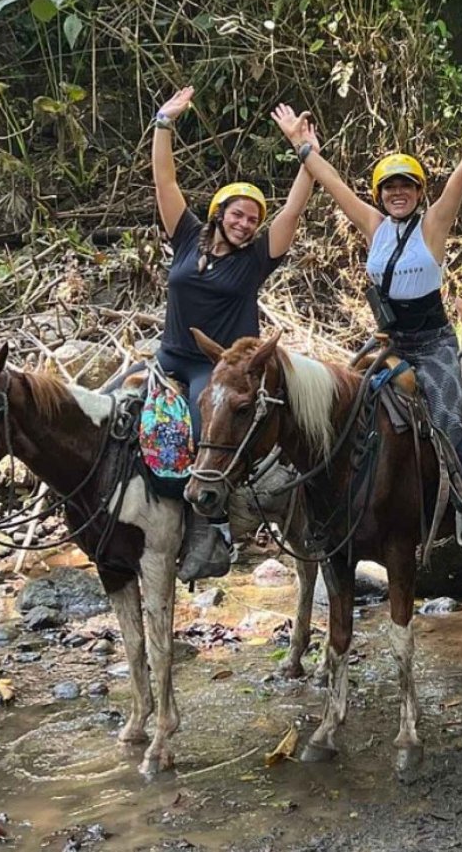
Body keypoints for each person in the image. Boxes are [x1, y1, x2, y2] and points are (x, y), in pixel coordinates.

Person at [271, 86, 462, 547]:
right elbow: (332, 182)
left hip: (434, 343)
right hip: (389, 343)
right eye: (390, 186)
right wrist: (301, 146)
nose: (397, 192)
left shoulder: (433, 225)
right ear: (380, 194)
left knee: (446, 413)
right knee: (343, 402)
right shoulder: (373, 226)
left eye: (406, 185)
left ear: (419, 192)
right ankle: (337, 497)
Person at [146, 85, 316, 579]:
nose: (245, 224)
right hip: (169, 356)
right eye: (238, 215)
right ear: (220, 214)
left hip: (216, 369)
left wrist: (307, 156)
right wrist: (164, 122)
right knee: (119, 416)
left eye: (252, 219)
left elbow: (292, 212)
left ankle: (212, 529)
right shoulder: (185, 237)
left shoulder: (254, 261)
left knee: (207, 428)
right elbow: (165, 180)